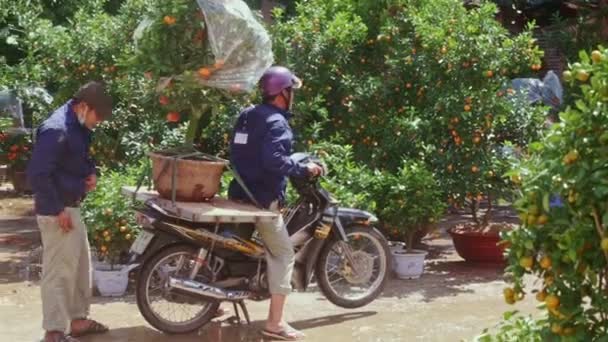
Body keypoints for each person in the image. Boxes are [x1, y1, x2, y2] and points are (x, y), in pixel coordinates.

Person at [228, 66, 323, 341]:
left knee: (236, 249)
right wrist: (304, 169)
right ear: (283, 92)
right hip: (261, 201)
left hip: (239, 193)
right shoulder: (277, 122)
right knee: (284, 254)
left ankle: (216, 303)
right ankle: (275, 322)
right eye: (291, 90)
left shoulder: (247, 115)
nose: (292, 96)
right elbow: (274, 161)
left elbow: (237, 150)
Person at [27, 81, 112, 342]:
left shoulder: (78, 125)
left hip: (70, 206)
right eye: (99, 116)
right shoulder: (56, 129)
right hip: (58, 211)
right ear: (84, 106)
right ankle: (54, 332)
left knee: (79, 268)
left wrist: (90, 173)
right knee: (59, 273)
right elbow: (38, 174)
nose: (99, 122)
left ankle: (78, 321)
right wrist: (57, 210)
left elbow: (78, 157)